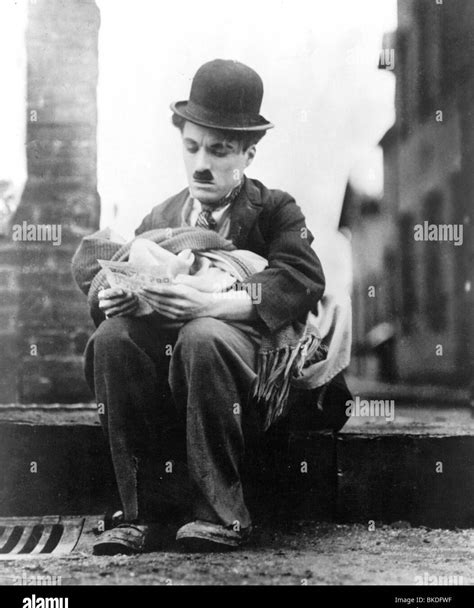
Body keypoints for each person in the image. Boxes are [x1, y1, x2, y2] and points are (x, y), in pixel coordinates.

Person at [76, 59, 341, 555]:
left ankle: (221, 514)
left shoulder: (275, 209)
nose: (202, 163)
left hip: (241, 376)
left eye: (219, 151)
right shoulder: (163, 216)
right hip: (170, 376)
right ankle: (139, 513)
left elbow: (301, 278)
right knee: (110, 339)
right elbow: (128, 273)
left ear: (248, 154)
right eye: (192, 146)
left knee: (202, 335)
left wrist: (210, 302)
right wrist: (117, 297)